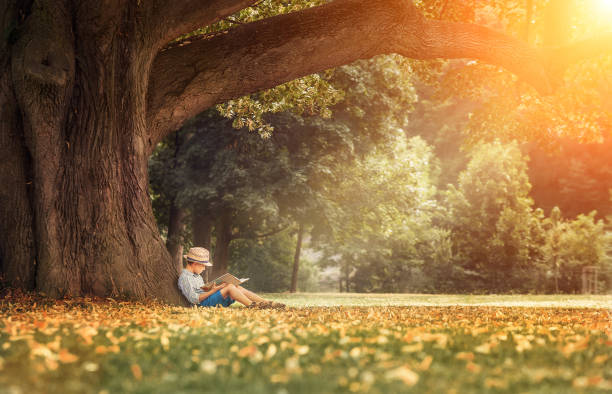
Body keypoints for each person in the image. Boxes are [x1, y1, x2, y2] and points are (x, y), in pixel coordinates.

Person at [177, 247, 284, 309]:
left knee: (236, 287)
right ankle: (253, 306)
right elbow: (194, 299)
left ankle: (266, 303)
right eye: (203, 265)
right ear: (195, 263)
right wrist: (214, 290)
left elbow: (201, 291)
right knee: (230, 288)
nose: (204, 268)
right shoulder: (185, 278)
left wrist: (211, 287)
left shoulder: (196, 276)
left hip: (206, 299)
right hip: (201, 305)